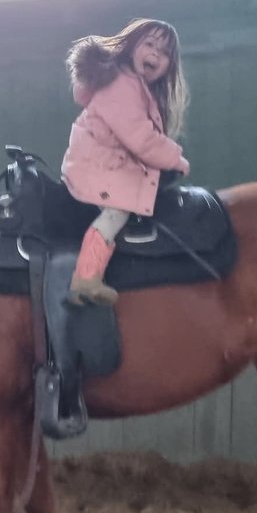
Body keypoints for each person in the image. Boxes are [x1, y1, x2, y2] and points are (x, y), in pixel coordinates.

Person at [61, 18, 191, 306]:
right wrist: (176, 159)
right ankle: (85, 279)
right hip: (97, 167)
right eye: (149, 44)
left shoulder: (136, 87)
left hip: (107, 163)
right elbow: (141, 140)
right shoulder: (122, 85)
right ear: (131, 47)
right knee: (116, 212)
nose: (156, 54)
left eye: (165, 52)